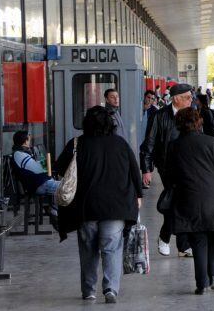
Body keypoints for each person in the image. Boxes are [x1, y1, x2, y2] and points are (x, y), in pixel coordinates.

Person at [55, 106, 142, 304]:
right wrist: (138, 195)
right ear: (110, 124)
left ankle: (89, 290)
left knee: (88, 249)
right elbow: (134, 172)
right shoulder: (120, 143)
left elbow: (60, 169)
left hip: (86, 207)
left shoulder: (77, 144)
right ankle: (110, 289)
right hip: (115, 206)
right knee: (111, 247)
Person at [167, 108, 214, 294]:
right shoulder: (210, 141)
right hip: (212, 197)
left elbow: (169, 174)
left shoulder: (174, 146)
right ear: (198, 122)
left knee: (198, 240)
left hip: (188, 197)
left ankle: (201, 282)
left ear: (179, 123)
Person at [139, 83, 193, 257]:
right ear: (176, 99)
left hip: (188, 165)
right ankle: (169, 239)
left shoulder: (192, 114)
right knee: (177, 200)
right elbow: (148, 144)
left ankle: (178, 244)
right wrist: (146, 169)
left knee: (181, 203)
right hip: (167, 166)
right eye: (187, 97)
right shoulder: (159, 116)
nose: (191, 100)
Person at [11, 131, 59, 219]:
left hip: (39, 182)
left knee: (66, 185)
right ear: (25, 141)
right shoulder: (19, 154)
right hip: (38, 185)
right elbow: (38, 169)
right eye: (28, 140)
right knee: (66, 187)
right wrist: (44, 163)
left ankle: (54, 208)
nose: (30, 142)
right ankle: (54, 209)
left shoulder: (20, 153)